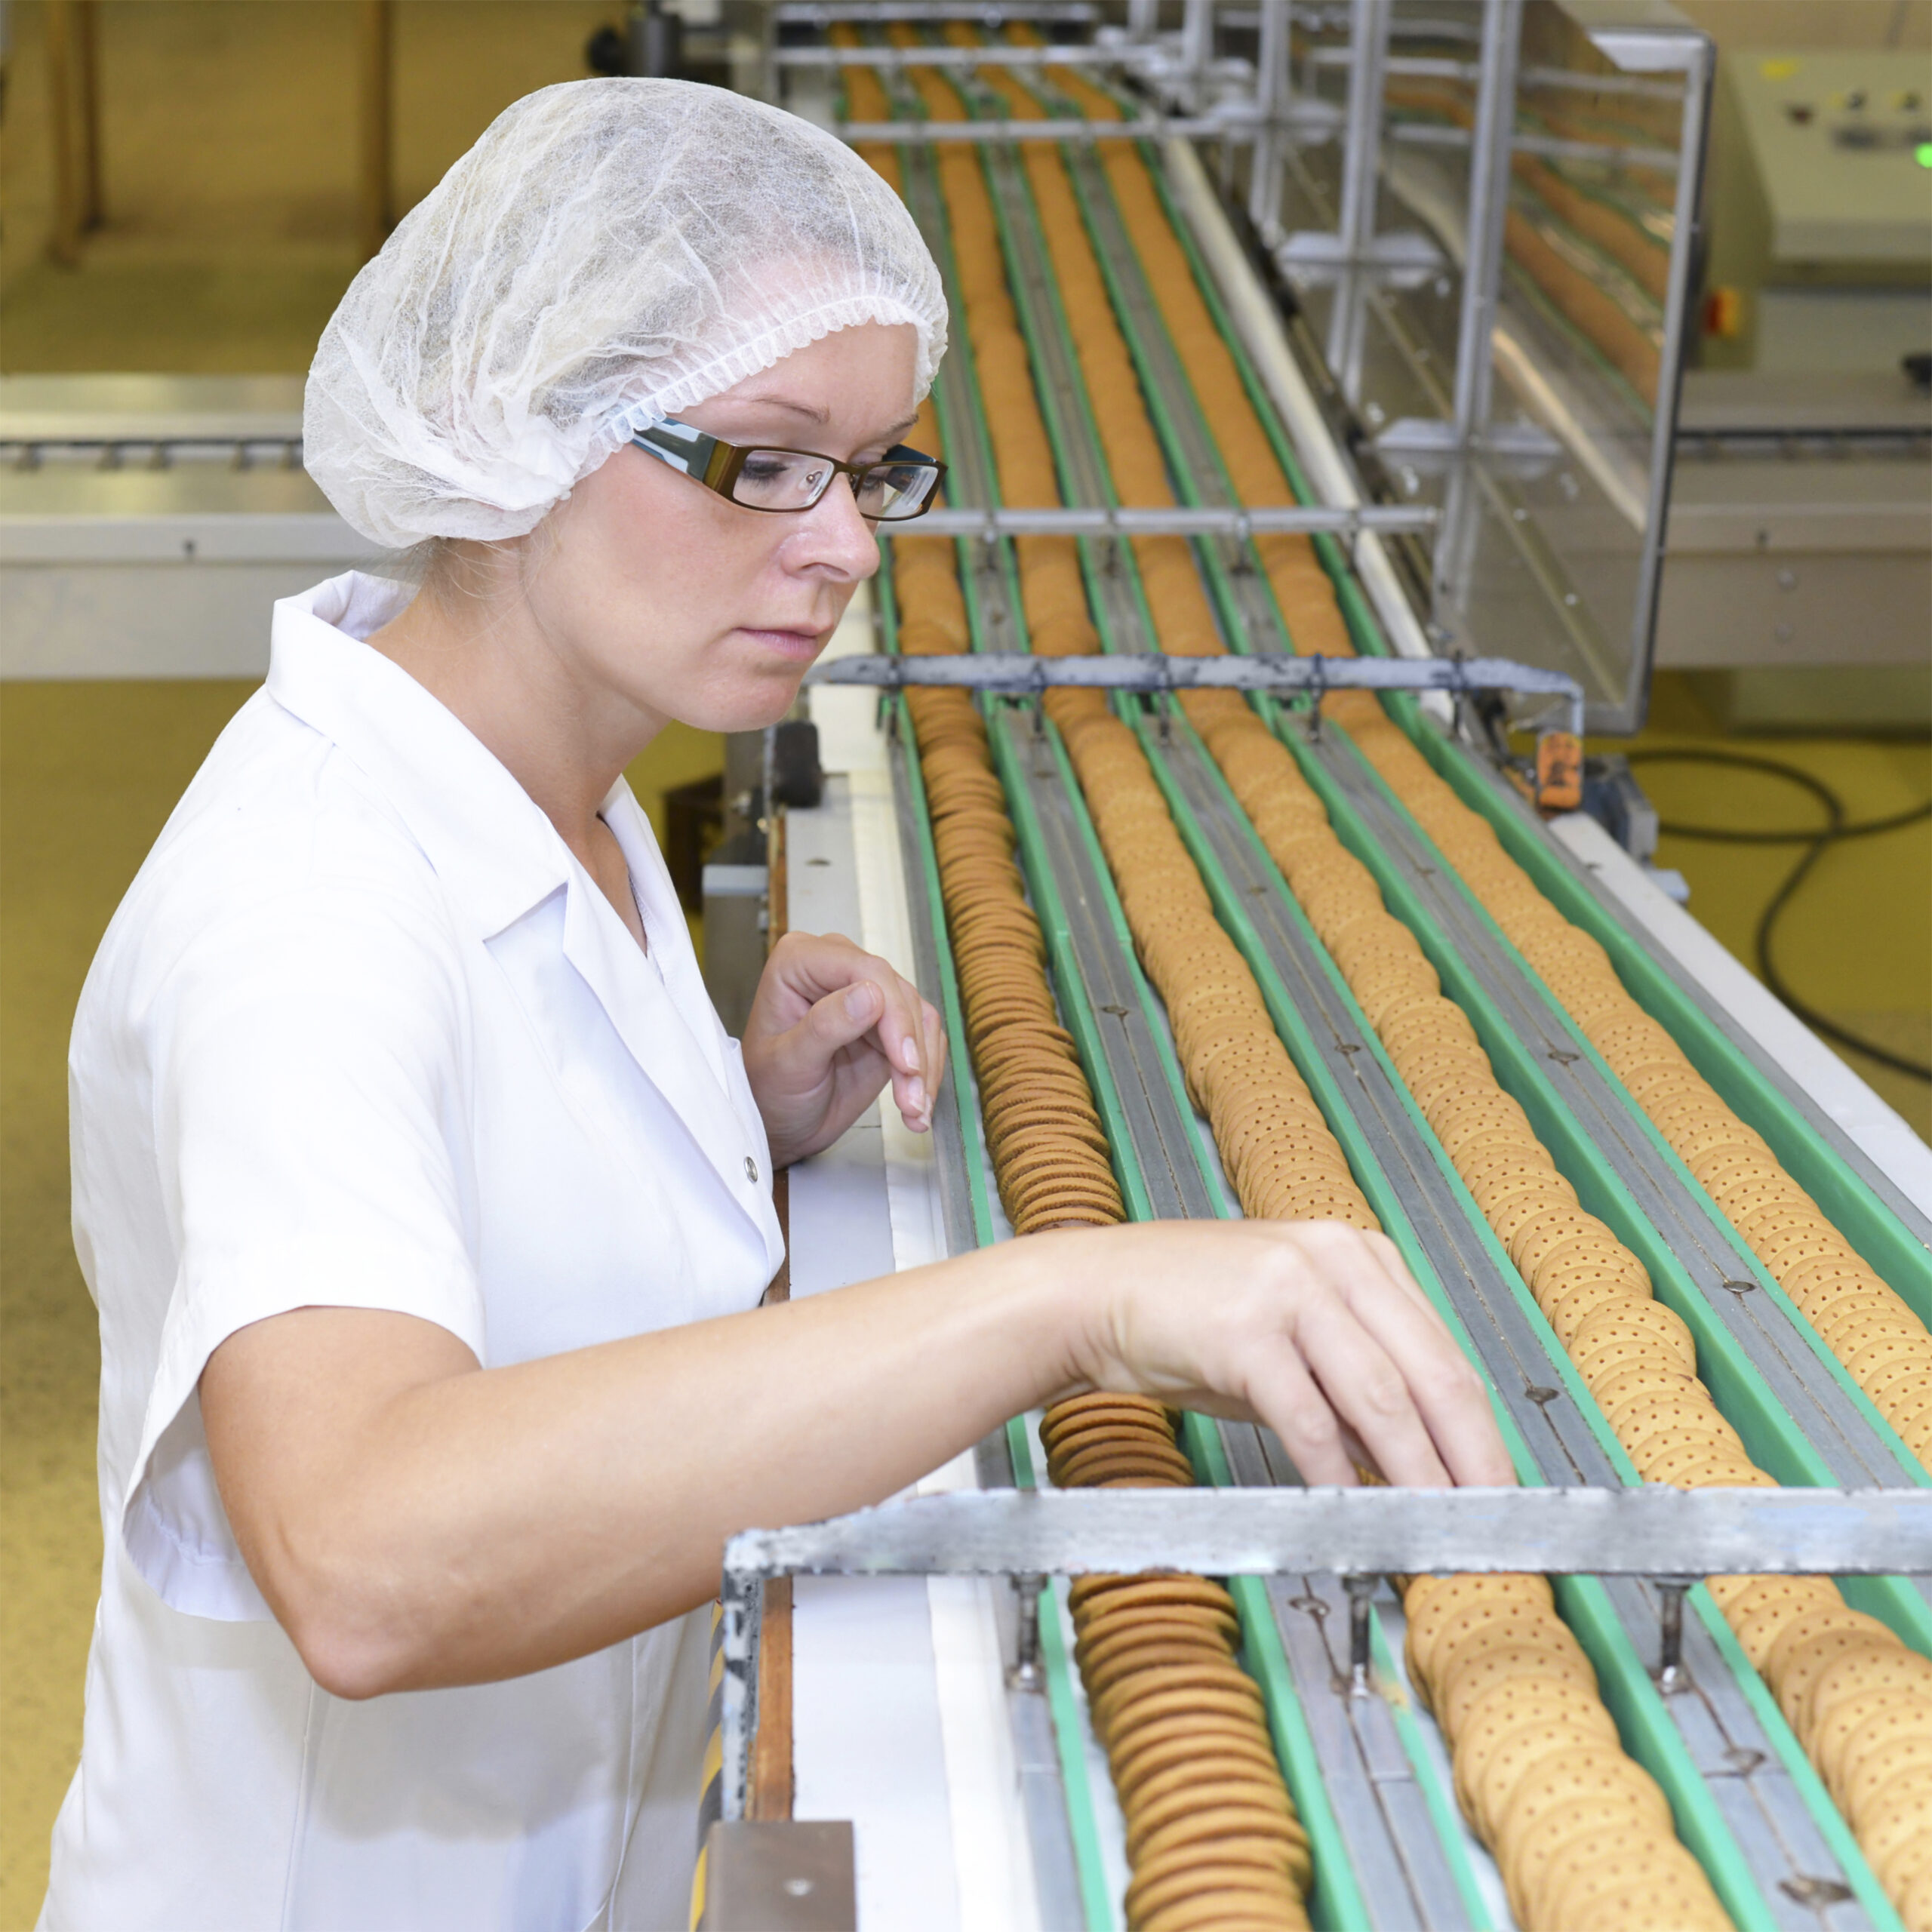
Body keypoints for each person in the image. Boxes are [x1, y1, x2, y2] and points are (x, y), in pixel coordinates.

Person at [42, 78, 1511, 1932]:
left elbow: (479, 1186)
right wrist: (1069, 1297)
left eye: (877, 467)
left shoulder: (554, 772)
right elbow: (365, 1555)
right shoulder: (307, 906)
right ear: (521, 423)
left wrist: (708, 1110)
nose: (843, 546)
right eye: (763, 459)